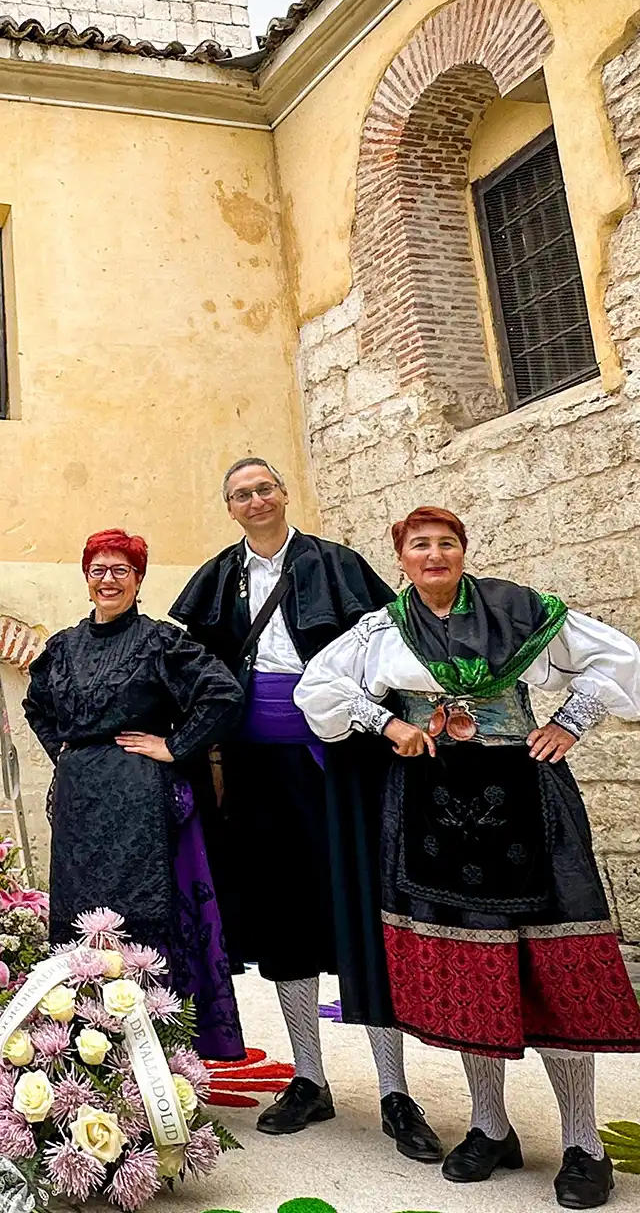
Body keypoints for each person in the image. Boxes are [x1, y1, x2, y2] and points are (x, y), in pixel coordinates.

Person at [295, 506, 640, 1210]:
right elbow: (320, 688)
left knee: (556, 967)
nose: (434, 555)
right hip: (432, 812)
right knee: (469, 967)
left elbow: (617, 655)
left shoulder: (516, 611)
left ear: (464, 551)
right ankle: (491, 1127)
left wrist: (569, 722)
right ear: (400, 557)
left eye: (446, 544)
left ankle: (585, 1145)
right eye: (419, 545)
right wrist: (387, 721)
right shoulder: (382, 628)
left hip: (527, 801)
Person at [170, 459, 440, 1161]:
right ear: (229, 508)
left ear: (283, 495)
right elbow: (189, 668)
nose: (255, 500)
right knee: (285, 917)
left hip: (340, 762)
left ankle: (393, 1090)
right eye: (240, 493)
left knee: (363, 908)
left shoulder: (337, 564)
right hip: (253, 770)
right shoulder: (217, 577)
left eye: (264, 488)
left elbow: (393, 649)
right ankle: (310, 1079)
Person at [23, 528, 246, 1061]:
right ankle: (80, 1047)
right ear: (86, 577)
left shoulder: (160, 640)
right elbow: (36, 705)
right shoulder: (63, 647)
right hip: (81, 801)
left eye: (121, 570)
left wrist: (175, 746)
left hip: (143, 795)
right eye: (99, 569)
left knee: (149, 918)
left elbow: (223, 693)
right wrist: (69, 753)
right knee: (80, 916)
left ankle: (159, 1053)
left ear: (138, 579)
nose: (109, 580)